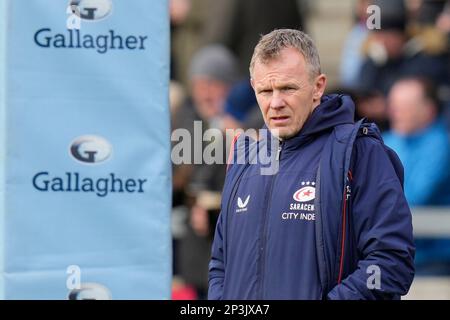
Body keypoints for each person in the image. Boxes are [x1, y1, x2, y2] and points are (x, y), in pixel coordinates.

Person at [208, 29, 415, 300]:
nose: (276, 103)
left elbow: (390, 263)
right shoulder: (244, 158)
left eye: (288, 88)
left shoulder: (359, 152)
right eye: (265, 91)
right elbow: (220, 266)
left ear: (318, 86)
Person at [383, 77, 450, 275]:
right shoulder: (387, 138)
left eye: (405, 106)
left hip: (429, 259)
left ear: (428, 110)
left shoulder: (440, 146)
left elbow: (412, 198)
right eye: (393, 105)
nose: (394, 112)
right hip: (388, 254)